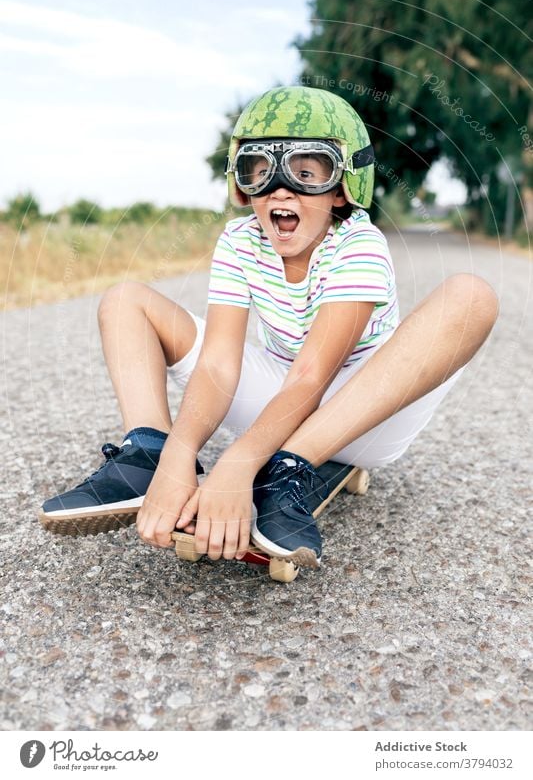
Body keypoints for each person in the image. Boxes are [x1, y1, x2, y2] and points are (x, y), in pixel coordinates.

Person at [39, 85, 498, 568]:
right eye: (260, 172)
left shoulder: (357, 245)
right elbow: (217, 365)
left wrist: (238, 464)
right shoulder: (240, 240)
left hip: (362, 413)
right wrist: (181, 452)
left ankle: (287, 468)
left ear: (343, 185)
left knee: (471, 296)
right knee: (124, 301)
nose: (281, 187)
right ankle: (147, 453)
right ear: (242, 186)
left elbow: (312, 376)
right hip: (280, 392)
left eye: (305, 172)